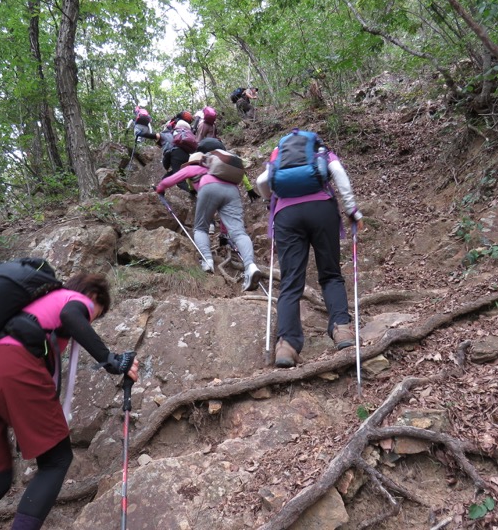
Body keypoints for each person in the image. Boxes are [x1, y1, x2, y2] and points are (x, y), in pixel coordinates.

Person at [0, 273, 139, 530]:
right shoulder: (76, 299)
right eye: (97, 314)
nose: (92, 317)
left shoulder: (23, 310)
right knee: (56, 461)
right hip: (11, 363)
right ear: (93, 297)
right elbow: (71, 315)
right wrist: (111, 360)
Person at [256, 136, 365, 368]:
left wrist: (270, 201)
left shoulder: (279, 159)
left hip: (287, 215)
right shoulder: (320, 152)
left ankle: (286, 345)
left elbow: (262, 180)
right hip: (321, 210)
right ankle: (341, 330)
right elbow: (339, 174)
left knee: (290, 282)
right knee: (331, 273)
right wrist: (352, 210)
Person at [156, 152, 262, 291]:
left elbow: (169, 180)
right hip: (232, 191)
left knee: (200, 228)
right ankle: (250, 266)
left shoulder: (192, 168)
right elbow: (225, 217)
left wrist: (160, 188)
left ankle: (207, 261)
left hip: (209, 187)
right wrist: (224, 234)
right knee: (239, 232)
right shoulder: (219, 171)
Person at [137, 120, 193, 192]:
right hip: (186, 155)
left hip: (176, 154)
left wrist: (140, 134)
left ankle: (194, 197)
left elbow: (154, 136)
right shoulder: (176, 134)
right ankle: (160, 186)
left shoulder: (165, 134)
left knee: (180, 182)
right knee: (174, 173)